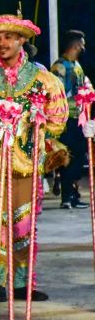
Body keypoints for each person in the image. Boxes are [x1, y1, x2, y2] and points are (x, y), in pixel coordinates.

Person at [0, 11, 68, 304]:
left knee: (23, 225)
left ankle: (23, 282)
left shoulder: (42, 80)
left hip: (25, 162)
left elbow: (57, 119)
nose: (2, 43)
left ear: (22, 40)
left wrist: (40, 130)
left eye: (8, 37)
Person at [52, 30, 90, 209]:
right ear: (75, 45)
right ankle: (66, 196)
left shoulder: (77, 66)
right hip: (66, 118)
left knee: (78, 156)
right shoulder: (59, 66)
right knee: (67, 157)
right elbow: (56, 94)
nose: (83, 47)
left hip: (79, 118)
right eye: (81, 43)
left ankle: (73, 194)